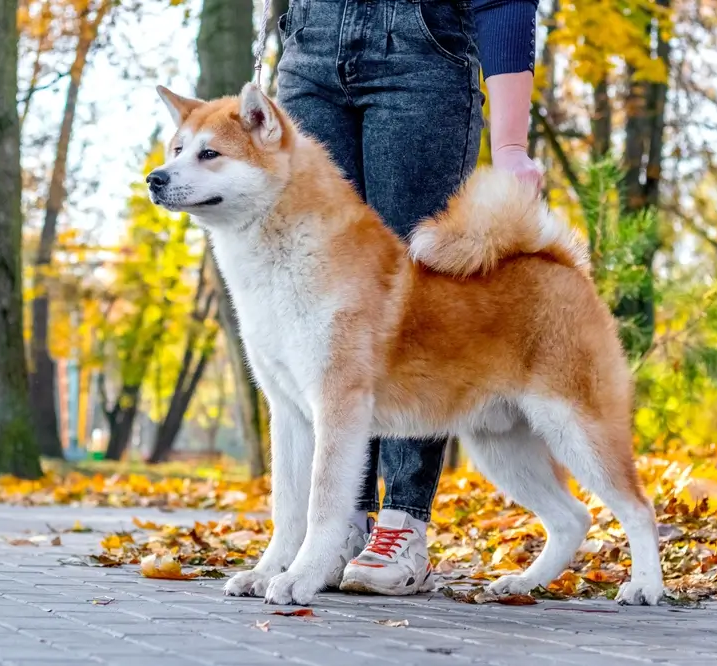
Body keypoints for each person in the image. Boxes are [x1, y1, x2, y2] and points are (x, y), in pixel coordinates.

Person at [275, 0, 541, 595]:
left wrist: (512, 147)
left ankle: (402, 521)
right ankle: (336, 522)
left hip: (420, 48)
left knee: (419, 292)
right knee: (316, 288)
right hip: (307, 48)